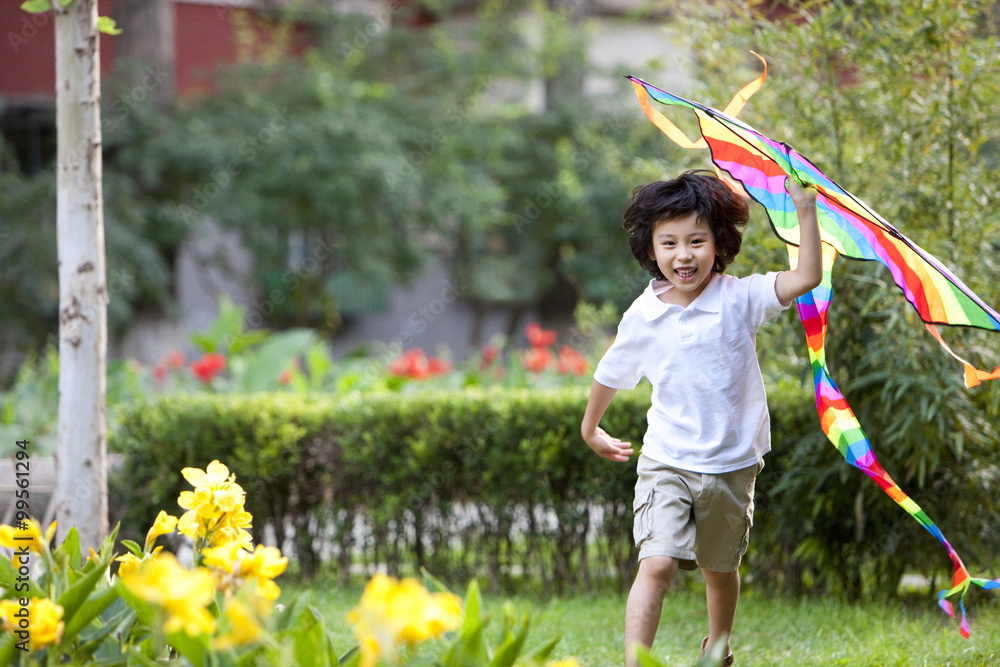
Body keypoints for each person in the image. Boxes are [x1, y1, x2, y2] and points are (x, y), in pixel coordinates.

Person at [580, 170, 821, 667]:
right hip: (667, 459)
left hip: (732, 464)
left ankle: (718, 646)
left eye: (696, 240)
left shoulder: (740, 298)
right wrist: (590, 428)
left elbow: (806, 278)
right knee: (658, 561)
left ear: (719, 243)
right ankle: (635, 662)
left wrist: (805, 211)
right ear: (651, 247)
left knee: (719, 566)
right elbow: (611, 372)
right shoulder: (644, 315)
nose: (682, 255)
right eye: (668, 242)